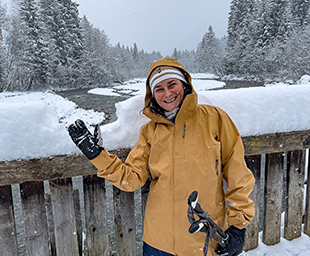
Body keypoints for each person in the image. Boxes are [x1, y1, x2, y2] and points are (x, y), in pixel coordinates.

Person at [68, 58, 255, 256]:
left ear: (184, 84)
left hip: (204, 238)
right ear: (152, 94)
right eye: (159, 89)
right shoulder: (149, 132)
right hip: (157, 241)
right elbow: (131, 179)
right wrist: (97, 155)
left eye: (172, 84)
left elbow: (238, 175)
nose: (167, 93)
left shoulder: (215, 119)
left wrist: (238, 227)